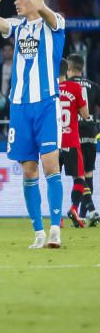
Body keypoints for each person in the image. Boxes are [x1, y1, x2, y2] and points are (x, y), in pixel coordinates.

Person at [0, 0, 65, 249]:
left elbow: (42, 7)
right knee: (29, 171)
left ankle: (55, 228)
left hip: (46, 103)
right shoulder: (17, 27)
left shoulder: (55, 24)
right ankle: (38, 233)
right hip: (19, 107)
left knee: (50, 164)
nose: (16, 2)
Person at [57, 59, 90, 229]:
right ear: (67, 70)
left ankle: (57, 218)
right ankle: (74, 208)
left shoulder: (49, 90)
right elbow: (85, 115)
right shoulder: (76, 88)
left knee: (53, 180)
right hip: (71, 140)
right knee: (80, 177)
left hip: (53, 142)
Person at [67, 54, 99, 224]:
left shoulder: (65, 86)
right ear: (82, 67)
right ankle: (83, 216)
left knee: (79, 177)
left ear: (69, 68)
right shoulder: (94, 86)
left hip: (74, 133)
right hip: (91, 132)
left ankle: (91, 211)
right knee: (88, 174)